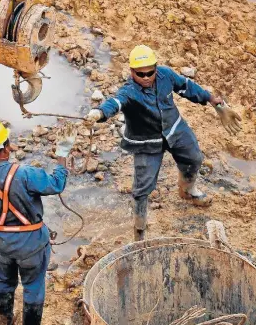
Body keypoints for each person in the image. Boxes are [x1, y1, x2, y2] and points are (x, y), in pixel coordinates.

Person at [86, 45, 241, 241]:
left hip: (176, 129)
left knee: (193, 159)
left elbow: (188, 87)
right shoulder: (128, 91)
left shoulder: (166, 76)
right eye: (140, 74)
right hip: (146, 142)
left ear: (156, 68)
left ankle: (188, 190)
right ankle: (139, 230)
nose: (145, 77)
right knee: (142, 188)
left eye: (150, 72)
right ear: (132, 71)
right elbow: (115, 103)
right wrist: (99, 113)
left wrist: (214, 102)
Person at [0, 121, 76, 325]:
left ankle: (6, 320)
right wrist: (62, 155)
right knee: (33, 286)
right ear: (6, 147)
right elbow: (57, 184)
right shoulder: (25, 173)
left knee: (4, 281)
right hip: (31, 243)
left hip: (1, 243)